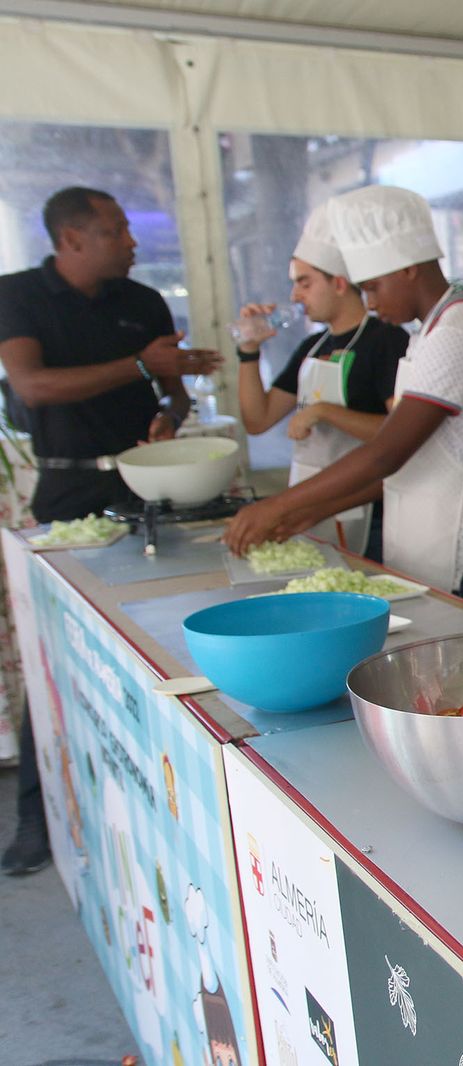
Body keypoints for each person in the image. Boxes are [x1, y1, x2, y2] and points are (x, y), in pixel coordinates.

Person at [0, 186, 221, 875]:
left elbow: (172, 391)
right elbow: (31, 386)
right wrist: (139, 366)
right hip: (69, 492)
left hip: (149, 487)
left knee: (164, 631)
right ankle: (35, 819)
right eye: (117, 230)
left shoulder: (144, 301)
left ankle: (166, 795)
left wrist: (168, 411)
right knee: (54, 646)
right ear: (72, 239)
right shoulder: (19, 296)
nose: (132, 241)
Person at [224, 186, 463, 616]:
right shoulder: (431, 332)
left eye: (372, 287)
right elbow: (415, 463)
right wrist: (310, 512)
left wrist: (277, 505)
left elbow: (386, 453)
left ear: (408, 269)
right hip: (432, 545)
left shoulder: (452, 336)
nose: (369, 302)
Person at [233, 203, 409, 560]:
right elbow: (257, 420)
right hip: (313, 506)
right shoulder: (312, 347)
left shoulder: (386, 340)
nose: (294, 296)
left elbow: (401, 435)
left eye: (304, 283)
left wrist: (325, 411)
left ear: (339, 283)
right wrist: (248, 352)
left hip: (374, 514)